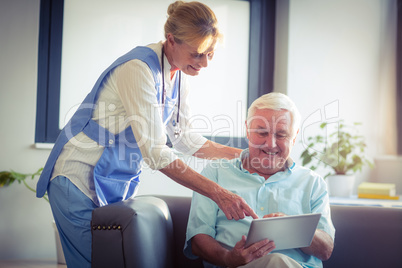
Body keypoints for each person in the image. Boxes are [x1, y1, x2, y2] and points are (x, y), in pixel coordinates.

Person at [36, 1, 257, 267]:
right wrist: (219, 193)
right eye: (197, 54)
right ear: (171, 40)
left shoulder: (179, 75)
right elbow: (155, 152)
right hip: (79, 177)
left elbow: (185, 139)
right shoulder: (138, 68)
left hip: (110, 179)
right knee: (98, 263)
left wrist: (247, 154)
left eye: (210, 53)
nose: (205, 63)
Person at [184, 92, 335, 268]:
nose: (270, 143)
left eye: (281, 135)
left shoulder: (313, 183)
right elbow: (198, 240)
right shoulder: (215, 173)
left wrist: (291, 227)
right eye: (261, 132)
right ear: (247, 130)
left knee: (277, 262)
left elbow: (326, 249)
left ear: (294, 137)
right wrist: (228, 259)